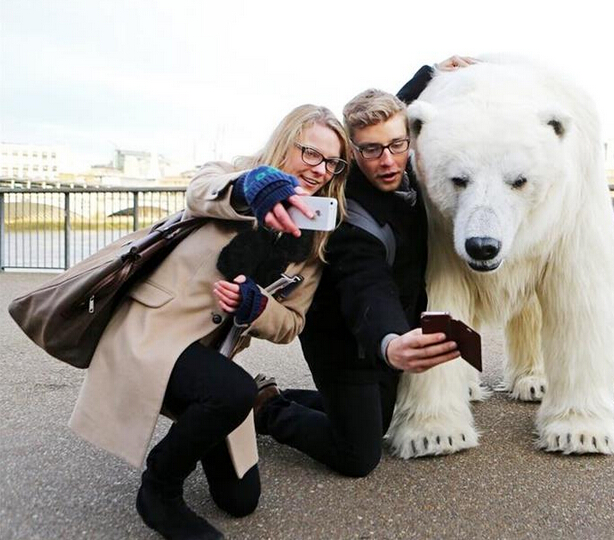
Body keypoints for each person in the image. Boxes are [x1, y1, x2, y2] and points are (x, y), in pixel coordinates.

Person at [69, 104, 349, 540]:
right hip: (154, 331)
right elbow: (201, 189)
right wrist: (254, 188)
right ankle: (159, 490)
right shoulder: (237, 174)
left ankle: (210, 415)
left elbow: (292, 323)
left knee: (240, 501)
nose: (320, 171)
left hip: (211, 355)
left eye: (332, 162)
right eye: (311, 154)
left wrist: (256, 308)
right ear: (285, 140)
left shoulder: (314, 234)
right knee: (233, 390)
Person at [251, 56, 478, 477]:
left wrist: (430, 72)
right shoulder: (351, 214)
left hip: (388, 325)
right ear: (352, 151)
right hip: (345, 338)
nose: (388, 160)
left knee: (381, 418)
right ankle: (265, 409)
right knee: (359, 455)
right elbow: (365, 283)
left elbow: (395, 111)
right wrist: (392, 341)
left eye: (396, 145)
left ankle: (281, 396)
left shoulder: (401, 151)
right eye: (371, 150)